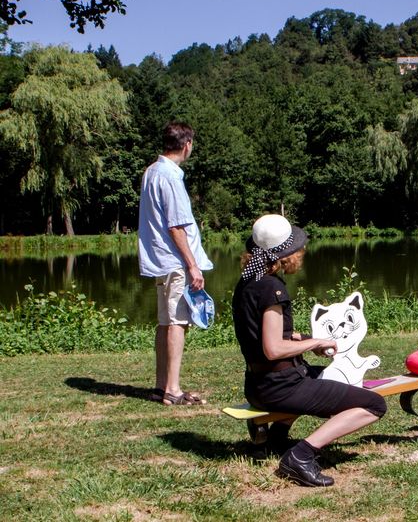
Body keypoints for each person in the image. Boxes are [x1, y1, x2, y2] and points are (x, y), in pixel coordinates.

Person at [232, 214, 387, 488]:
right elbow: (273, 348)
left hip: (257, 385)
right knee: (374, 404)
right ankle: (301, 456)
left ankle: (274, 440)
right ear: (284, 255)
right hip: (280, 387)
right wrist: (315, 343)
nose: (300, 253)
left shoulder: (248, 282)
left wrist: (304, 339)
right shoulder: (272, 288)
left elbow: (272, 334)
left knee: (330, 377)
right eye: (296, 249)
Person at [138, 121, 213, 406]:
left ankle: (161, 385)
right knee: (178, 323)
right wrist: (192, 265)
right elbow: (176, 227)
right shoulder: (170, 176)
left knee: (165, 322)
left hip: (161, 261)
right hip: (176, 262)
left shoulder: (151, 172)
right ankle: (172, 389)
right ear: (187, 145)